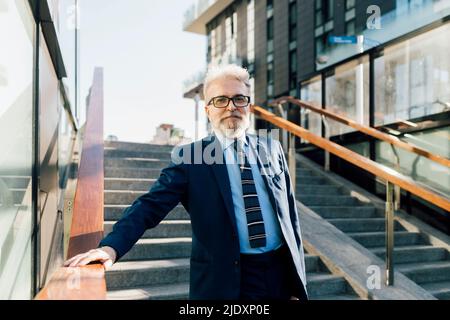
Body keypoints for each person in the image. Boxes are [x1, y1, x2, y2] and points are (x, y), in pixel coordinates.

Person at [64, 64, 308, 300]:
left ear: (249, 106)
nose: (231, 107)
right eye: (220, 100)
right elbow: (150, 205)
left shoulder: (272, 148)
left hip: (279, 275)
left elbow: (290, 217)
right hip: (227, 280)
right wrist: (111, 247)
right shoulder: (190, 158)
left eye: (239, 99)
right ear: (208, 110)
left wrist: (297, 285)